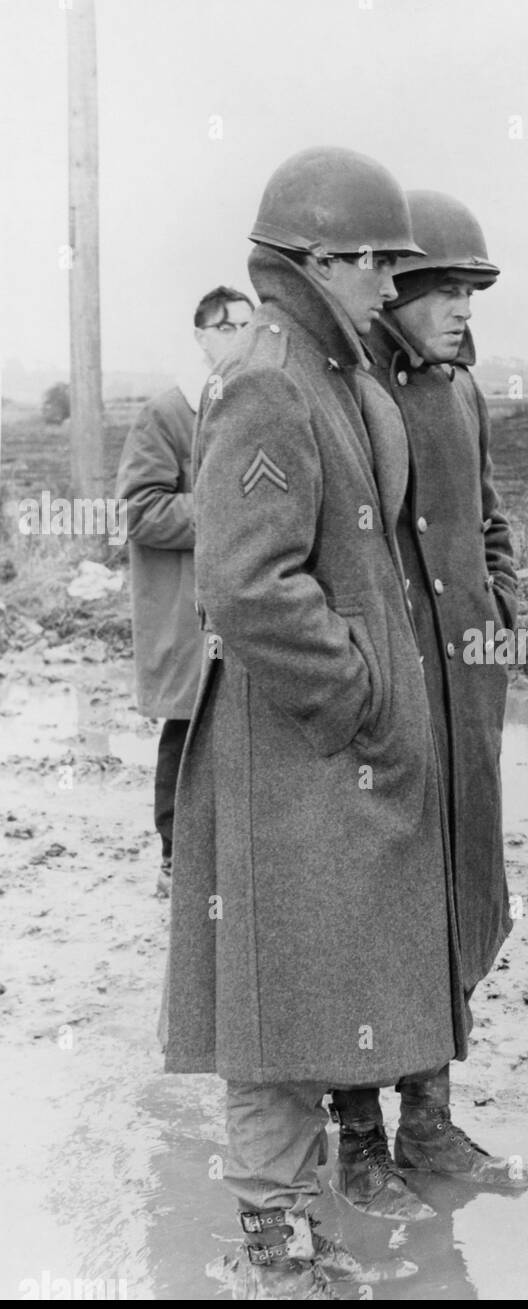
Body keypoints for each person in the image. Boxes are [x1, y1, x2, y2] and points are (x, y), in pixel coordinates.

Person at [163, 147, 468, 1298]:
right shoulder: (271, 383)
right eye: (378, 262)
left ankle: (287, 1222)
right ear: (319, 259)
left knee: (305, 992)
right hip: (291, 747)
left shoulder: (334, 374)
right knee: (272, 1001)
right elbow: (245, 582)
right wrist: (358, 697)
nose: (393, 285)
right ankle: (274, 1240)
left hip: (325, 751)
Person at [330, 190, 528, 1220]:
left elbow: (485, 516)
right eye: (444, 287)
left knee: (453, 890)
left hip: (466, 690)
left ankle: (434, 1125)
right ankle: (359, 1143)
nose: (461, 308)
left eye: (470, 289)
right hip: (384, 703)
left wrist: (500, 604)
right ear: (393, 287)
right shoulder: (345, 391)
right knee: (374, 910)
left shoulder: (458, 391)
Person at [116, 286, 253, 896]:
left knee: (248, 723)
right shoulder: (167, 414)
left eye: (251, 325)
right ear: (200, 336)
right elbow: (140, 512)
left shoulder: (253, 404)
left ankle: (238, 848)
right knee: (188, 723)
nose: (240, 336)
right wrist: (220, 509)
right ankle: (176, 853)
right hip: (185, 604)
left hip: (247, 601)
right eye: (226, 327)